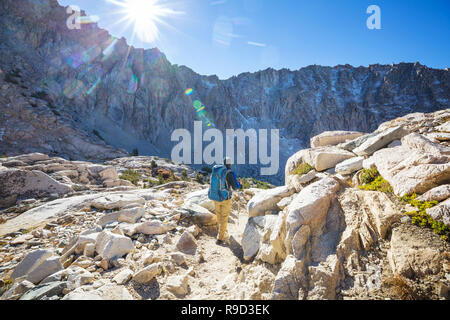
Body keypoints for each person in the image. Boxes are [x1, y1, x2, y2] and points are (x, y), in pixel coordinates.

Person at [208, 157, 241, 245]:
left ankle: (222, 233)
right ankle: (220, 238)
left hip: (216, 197)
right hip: (225, 198)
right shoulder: (229, 173)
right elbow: (235, 187)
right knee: (224, 217)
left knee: (219, 216)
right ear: (230, 164)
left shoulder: (217, 171)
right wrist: (239, 184)